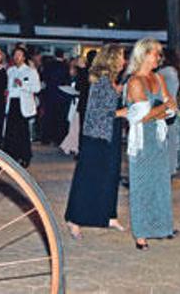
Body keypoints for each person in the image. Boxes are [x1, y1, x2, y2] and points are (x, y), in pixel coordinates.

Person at [64, 44, 127, 238]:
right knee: (87, 178)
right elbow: (97, 112)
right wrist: (122, 112)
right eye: (122, 57)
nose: (124, 60)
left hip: (110, 133)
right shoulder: (101, 81)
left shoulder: (109, 80)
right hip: (97, 136)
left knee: (110, 175)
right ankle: (73, 218)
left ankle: (108, 215)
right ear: (112, 59)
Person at [125, 38, 176, 250]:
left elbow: (172, 106)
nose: (159, 57)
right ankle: (141, 233)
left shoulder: (158, 77)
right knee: (142, 185)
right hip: (142, 141)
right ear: (144, 54)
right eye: (156, 53)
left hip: (158, 138)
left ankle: (160, 226)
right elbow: (141, 117)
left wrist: (162, 108)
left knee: (160, 183)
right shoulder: (135, 82)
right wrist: (162, 109)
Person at [4, 46, 41, 167]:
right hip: (12, 102)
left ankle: (25, 157)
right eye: (15, 55)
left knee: (23, 132)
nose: (16, 57)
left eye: (19, 55)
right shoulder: (10, 70)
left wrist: (23, 86)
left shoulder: (30, 71)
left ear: (24, 57)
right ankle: (11, 156)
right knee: (11, 132)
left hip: (23, 103)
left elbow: (37, 88)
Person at [157, 49, 180, 176]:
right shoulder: (174, 71)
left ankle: (168, 169)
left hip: (165, 108)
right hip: (172, 107)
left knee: (165, 140)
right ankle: (172, 168)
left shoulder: (165, 72)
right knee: (172, 140)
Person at [40, 49, 71, 145]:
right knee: (59, 118)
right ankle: (58, 139)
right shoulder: (65, 66)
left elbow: (44, 78)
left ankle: (45, 138)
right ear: (63, 56)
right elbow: (67, 81)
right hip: (61, 95)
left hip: (49, 94)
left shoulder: (48, 65)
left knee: (48, 116)